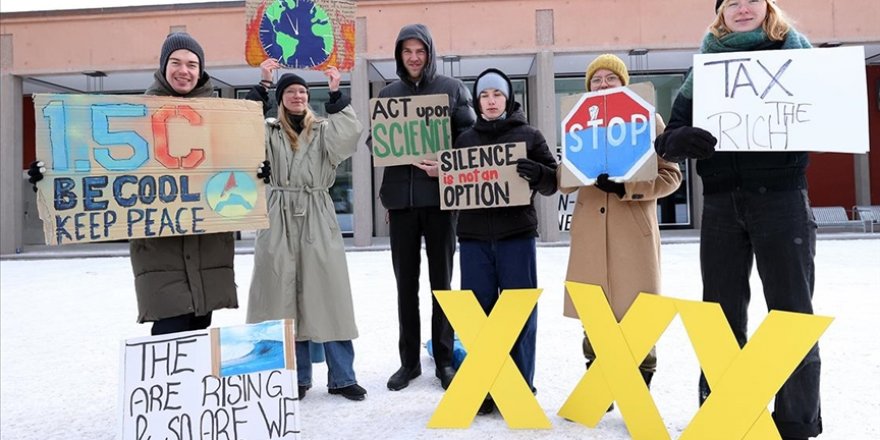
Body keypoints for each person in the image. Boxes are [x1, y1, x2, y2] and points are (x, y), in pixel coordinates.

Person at [653, 2, 820, 439]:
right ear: (721, 13)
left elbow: (828, 115)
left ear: (767, 6)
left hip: (782, 201)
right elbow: (666, 140)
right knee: (721, 314)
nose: (742, 8)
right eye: (731, 2)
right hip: (722, 204)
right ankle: (722, 414)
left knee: (792, 313)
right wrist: (679, 139)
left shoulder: (799, 55)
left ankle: (796, 424)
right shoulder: (704, 67)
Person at [27, 33, 268, 335]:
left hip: (209, 254)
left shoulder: (222, 118)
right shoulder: (136, 115)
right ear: (163, 66)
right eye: (176, 62)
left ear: (201, 69)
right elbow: (96, 172)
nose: (185, 70)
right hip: (159, 255)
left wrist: (256, 173)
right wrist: (50, 178)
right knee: (169, 334)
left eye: (192, 64)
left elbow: (234, 173)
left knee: (199, 334)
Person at [561, 54, 682, 410]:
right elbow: (567, 173)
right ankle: (599, 381)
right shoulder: (578, 124)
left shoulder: (649, 120)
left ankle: (639, 385)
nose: (602, 84)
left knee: (636, 312)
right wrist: (546, 176)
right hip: (589, 232)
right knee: (594, 309)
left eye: (609, 79)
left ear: (623, 83)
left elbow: (670, 176)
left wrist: (628, 188)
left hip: (633, 230)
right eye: (595, 80)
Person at [244, 60, 367, 401]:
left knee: (329, 296)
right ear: (281, 98)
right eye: (290, 91)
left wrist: (335, 94)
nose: (297, 95)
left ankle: (343, 377)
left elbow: (351, 136)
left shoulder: (324, 129)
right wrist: (264, 84)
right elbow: (240, 129)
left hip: (316, 214)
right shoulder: (268, 131)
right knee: (282, 300)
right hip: (279, 216)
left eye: (301, 91)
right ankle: (293, 379)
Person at [452, 68, 558, 415]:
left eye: (497, 94)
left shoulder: (529, 135)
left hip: (517, 236)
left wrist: (539, 173)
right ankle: (484, 386)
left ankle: (520, 385)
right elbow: (455, 180)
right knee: (477, 315)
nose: (492, 101)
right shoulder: (465, 140)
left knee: (520, 314)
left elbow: (554, 180)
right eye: (485, 96)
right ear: (478, 101)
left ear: (508, 98)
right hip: (473, 240)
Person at [378, 23, 476, 391]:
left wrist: (445, 164)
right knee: (405, 285)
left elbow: (469, 139)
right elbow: (379, 141)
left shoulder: (452, 89)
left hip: (440, 203)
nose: (414, 58)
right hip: (401, 203)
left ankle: (445, 359)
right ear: (400, 55)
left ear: (430, 53)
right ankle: (408, 363)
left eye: (420, 51)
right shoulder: (389, 93)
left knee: (442, 285)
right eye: (407, 52)